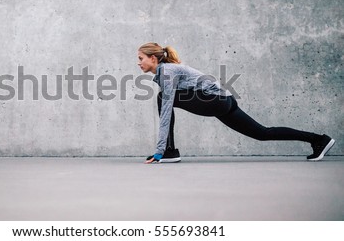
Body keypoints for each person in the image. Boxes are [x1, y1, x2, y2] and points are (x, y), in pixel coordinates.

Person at [137, 42, 335, 164]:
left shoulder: (168, 72)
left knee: (163, 98)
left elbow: (165, 115)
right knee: (262, 133)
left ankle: (169, 152)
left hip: (216, 101)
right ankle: (318, 140)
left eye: (141, 58)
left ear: (153, 59)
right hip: (224, 101)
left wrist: (159, 151)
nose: (138, 63)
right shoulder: (167, 71)